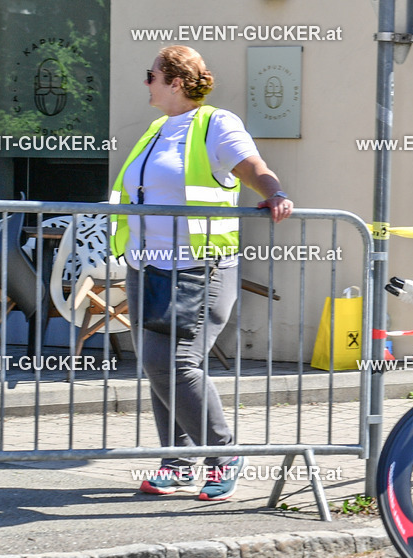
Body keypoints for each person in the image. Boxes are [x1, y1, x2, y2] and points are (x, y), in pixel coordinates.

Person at [110, 45, 293, 501]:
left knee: (172, 362)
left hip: (199, 266)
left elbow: (253, 167)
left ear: (175, 81)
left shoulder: (216, 123)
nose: (145, 81)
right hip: (148, 266)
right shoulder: (157, 129)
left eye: (149, 74)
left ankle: (223, 452)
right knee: (156, 366)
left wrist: (274, 192)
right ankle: (178, 461)